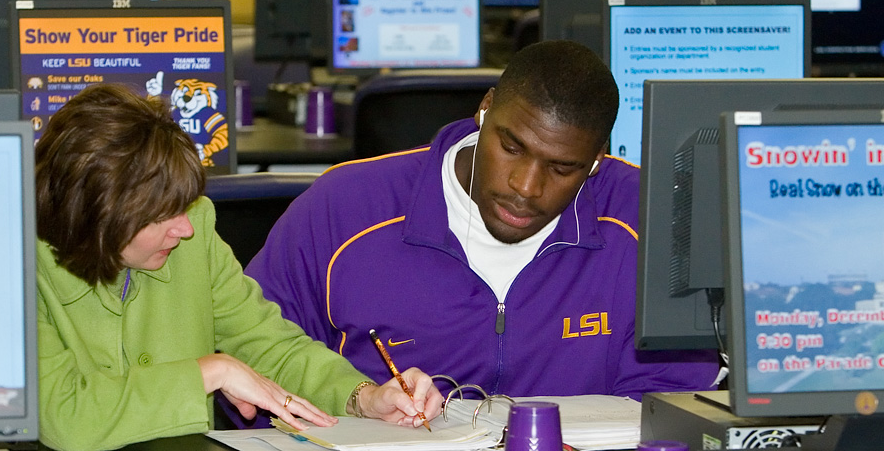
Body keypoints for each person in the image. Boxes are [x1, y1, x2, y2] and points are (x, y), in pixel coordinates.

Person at [245, 40, 719, 401]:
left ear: (597, 160)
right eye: (511, 147)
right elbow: (253, 359)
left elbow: (668, 400)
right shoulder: (345, 207)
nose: (526, 186)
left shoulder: (649, 220)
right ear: (485, 109)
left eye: (562, 168)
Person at [35, 84, 443, 451]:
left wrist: (363, 397)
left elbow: (270, 345)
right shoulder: (17, 266)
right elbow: (65, 417)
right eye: (161, 215)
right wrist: (210, 372)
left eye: (184, 206)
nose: (186, 228)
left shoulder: (193, 234)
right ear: (98, 216)